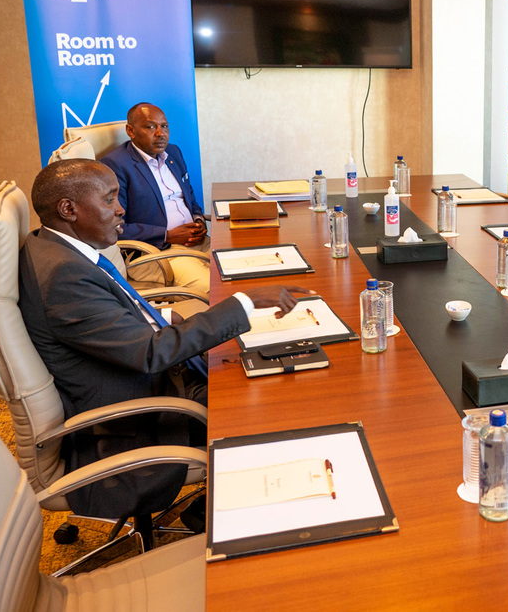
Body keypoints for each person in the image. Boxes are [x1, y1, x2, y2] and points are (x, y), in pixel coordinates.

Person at [19, 159, 310, 519]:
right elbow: (150, 353)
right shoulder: (64, 276)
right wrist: (245, 303)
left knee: (264, 367)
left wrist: (184, 316)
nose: (121, 208)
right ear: (68, 209)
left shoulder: (54, 247)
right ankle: (213, 515)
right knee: (272, 403)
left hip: (144, 382)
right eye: (109, 200)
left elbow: (120, 319)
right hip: (137, 418)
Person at [101, 102, 209, 291]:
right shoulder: (115, 165)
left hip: (196, 241)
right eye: (151, 127)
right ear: (131, 131)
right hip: (157, 252)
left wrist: (198, 220)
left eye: (164, 126)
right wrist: (167, 235)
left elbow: (189, 197)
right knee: (211, 286)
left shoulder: (173, 152)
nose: (161, 133)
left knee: (241, 267)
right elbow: (115, 226)